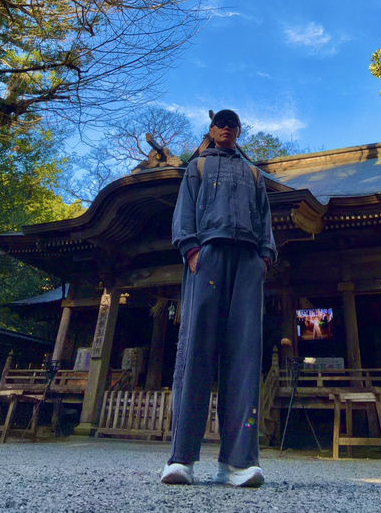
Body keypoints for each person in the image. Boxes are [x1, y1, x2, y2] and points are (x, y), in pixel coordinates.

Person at [161, 109, 276, 488]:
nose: (226, 128)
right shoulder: (196, 167)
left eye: (232, 124)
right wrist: (191, 250)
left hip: (248, 258)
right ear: (211, 130)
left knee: (245, 354)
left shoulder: (254, 173)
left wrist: (264, 257)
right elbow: (183, 213)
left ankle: (238, 462)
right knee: (195, 349)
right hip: (207, 255)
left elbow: (265, 218)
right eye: (220, 124)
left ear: (239, 131)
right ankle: (181, 459)